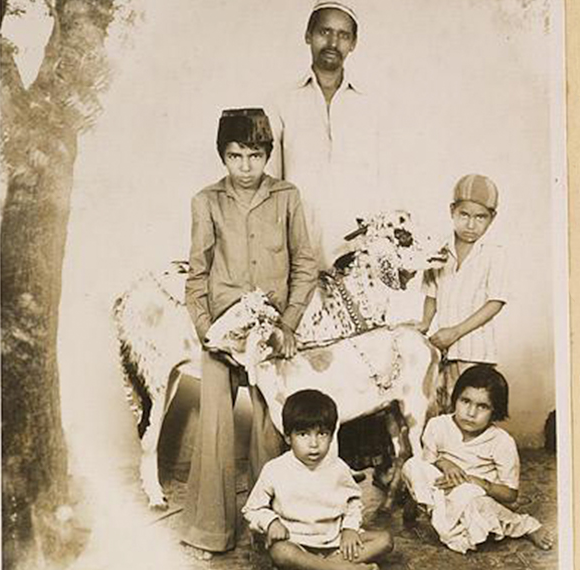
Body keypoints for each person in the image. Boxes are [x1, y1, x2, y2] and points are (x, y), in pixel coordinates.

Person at [182, 108, 319, 558]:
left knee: (270, 429)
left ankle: (273, 532)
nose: (245, 166)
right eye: (236, 155)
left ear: (268, 155)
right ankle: (211, 532)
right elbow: (197, 274)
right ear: (223, 155)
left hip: (272, 332)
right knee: (216, 429)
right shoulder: (206, 201)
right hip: (223, 332)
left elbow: (305, 263)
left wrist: (289, 323)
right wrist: (208, 331)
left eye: (255, 155)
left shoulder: (286, 196)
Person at [269, 0, 382, 270]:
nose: (333, 42)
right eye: (325, 31)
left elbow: (381, 179)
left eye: (343, 35)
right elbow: (271, 184)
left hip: (358, 250)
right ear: (308, 35)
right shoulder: (281, 101)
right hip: (299, 247)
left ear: (353, 43)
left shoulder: (371, 105)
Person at [400, 365, 554, 553]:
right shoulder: (437, 425)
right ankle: (441, 515)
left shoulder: (501, 442)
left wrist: (478, 482)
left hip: (476, 497)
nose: (471, 413)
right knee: (413, 465)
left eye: (482, 406)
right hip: (441, 490)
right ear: (455, 399)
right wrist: (445, 463)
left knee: (471, 501)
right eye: (465, 401)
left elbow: (510, 495)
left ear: (495, 411)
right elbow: (427, 462)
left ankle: (526, 525)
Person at [243, 389, 394, 570]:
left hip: (335, 540)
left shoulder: (338, 467)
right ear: (288, 437)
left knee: (384, 540)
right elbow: (251, 508)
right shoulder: (275, 470)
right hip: (296, 541)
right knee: (280, 552)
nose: (313, 444)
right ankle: (340, 568)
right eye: (303, 434)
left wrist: (349, 529)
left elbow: (353, 501)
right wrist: (271, 522)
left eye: (322, 434)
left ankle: (326, 566)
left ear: (332, 436)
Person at [418, 173, 508, 409]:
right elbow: (432, 291)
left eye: (480, 217)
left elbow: (495, 302)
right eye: (464, 215)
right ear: (452, 211)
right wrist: (425, 323)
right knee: (444, 406)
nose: (471, 224)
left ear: (492, 218)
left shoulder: (494, 253)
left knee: (472, 410)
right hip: (444, 349)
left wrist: (456, 332)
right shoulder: (440, 250)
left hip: (476, 352)